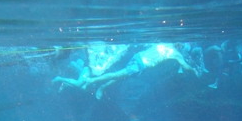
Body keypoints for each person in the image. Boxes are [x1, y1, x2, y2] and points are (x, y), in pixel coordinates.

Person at [54, 43, 201, 99]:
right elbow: (185, 66)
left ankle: (102, 86)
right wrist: (194, 70)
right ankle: (93, 81)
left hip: (138, 60)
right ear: (181, 46)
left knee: (121, 77)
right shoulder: (175, 52)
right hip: (140, 64)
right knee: (118, 75)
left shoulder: (165, 43)